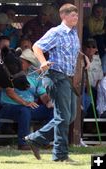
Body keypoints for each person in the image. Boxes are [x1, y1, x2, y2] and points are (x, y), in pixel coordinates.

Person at [24, 3, 90, 162]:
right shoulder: (56, 32)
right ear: (63, 16)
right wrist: (42, 62)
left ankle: (35, 139)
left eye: (76, 15)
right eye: (72, 15)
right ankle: (60, 155)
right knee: (63, 116)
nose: (76, 17)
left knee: (70, 115)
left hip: (66, 78)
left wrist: (83, 56)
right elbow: (37, 46)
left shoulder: (73, 33)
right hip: (54, 76)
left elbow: (70, 49)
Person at [0, 49, 53, 150]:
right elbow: (10, 92)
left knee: (53, 110)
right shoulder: (11, 71)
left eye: (26, 62)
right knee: (24, 110)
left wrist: (49, 101)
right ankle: (23, 143)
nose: (23, 64)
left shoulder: (35, 76)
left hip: (29, 107)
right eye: (22, 61)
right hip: (10, 106)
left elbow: (42, 94)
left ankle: (41, 139)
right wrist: (25, 103)